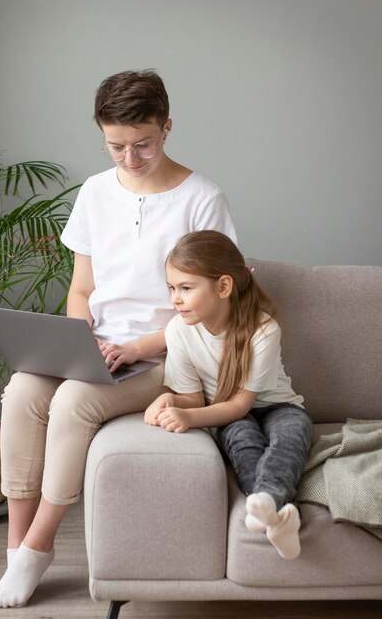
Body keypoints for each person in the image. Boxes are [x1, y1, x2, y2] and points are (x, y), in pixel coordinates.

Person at [0, 70, 237, 608]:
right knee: (23, 391)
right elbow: (82, 289)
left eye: (141, 144)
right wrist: (78, 339)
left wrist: (139, 347)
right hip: (98, 347)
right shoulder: (95, 193)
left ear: (166, 128)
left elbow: (215, 304)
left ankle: (39, 545)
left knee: (74, 401)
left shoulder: (201, 198)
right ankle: (16, 545)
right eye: (115, 146)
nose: (128, 158)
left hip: (167, 358)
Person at [144, 230, 313, 560]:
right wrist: (169, 400)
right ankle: (278, 515)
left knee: (292, 434)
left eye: (186, 288)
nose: (175, 299)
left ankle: (268, 500)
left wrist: (189, 417)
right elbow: (193, 399)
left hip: (275, 406)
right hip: (225, 411)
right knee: (242, 439)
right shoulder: (178, 331)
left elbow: (241, 403)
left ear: (223, 287)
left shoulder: (263, 329)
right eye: (172, 288)